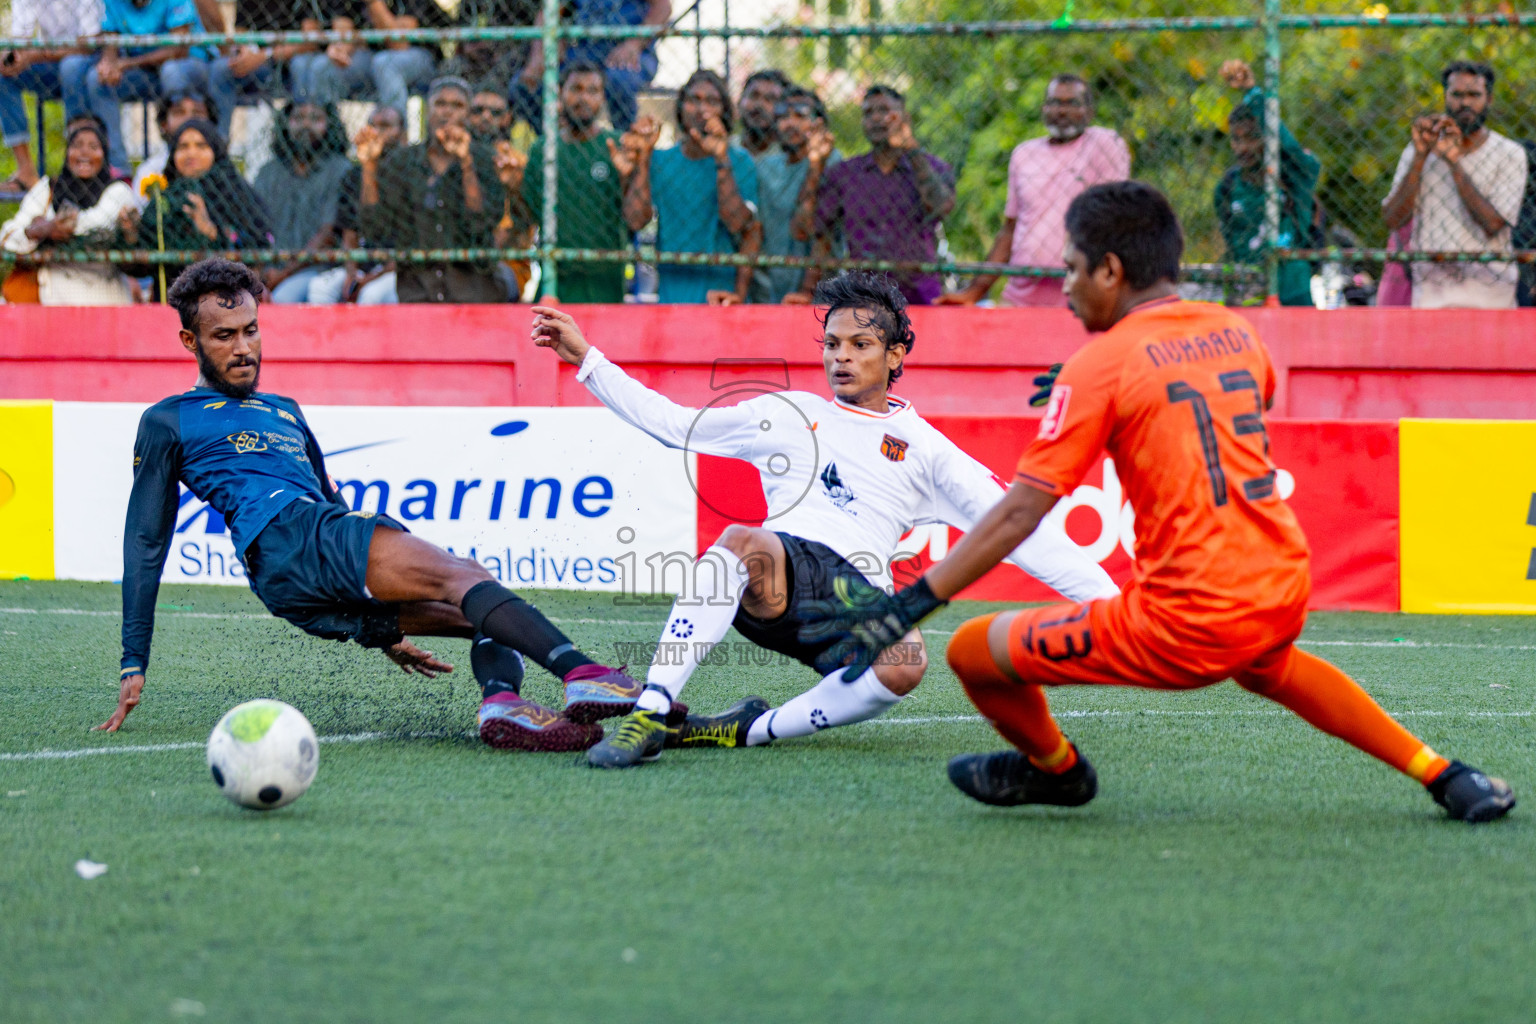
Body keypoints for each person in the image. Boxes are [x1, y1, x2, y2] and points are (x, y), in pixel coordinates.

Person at [799, 182, 1515, 824]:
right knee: (1272, 665)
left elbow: (1021, 511)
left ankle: (1058, 772)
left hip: (1187, 622)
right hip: (1282, 585)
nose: (1068, 287)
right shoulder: (1237, 331)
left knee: (973, 652)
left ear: (1111, 270)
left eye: (1073, 270)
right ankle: (1446, 774)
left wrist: (911, 602)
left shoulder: (1098, 366)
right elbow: (1223, 400)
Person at [528, 271, 1119, 769]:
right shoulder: (786, 413)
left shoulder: (929, 450)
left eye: (860, 345)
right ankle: (651, 712)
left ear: (895, 355)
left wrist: (1119, 608)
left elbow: (1020, 531)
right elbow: (673, 424)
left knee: (907, 662)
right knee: (741, 541)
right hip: (779, 575)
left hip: (853, 602)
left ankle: (742, 730)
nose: (841, 356)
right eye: (832, 344)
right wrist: (588, 360)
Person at [97, 258, 646, 752]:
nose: (243, 349)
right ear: (190, 341)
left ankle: (502, 704)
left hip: (302, 570)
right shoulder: (168, 419)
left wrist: (384, 634)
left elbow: (329, 502)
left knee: (483, 611)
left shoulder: (284, 409)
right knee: (466, 575)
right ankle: (584, 673)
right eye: (223, 336)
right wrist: (133, 658)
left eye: (251, 331)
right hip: (287, 537)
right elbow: (146, 541)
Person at [938, 74, 1130, 308]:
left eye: (1072, 103)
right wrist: (975, 291)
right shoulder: (1024, 154)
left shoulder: (1103, 145)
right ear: (1044, 108)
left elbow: (1116, 218)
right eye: (1055, 102)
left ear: (1089, 111)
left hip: (1081, 294)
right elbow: (1010, 229)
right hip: (1022, 295)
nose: (1062, 111)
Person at [1381, 61, 1526, 309]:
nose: (1465, 103)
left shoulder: (1509, 154)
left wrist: (1454, 162)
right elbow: (1393, 219)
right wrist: (1420, 157)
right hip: (1432, 297)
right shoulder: (1420, 151)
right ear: (1446, 97)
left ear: (1488, 99)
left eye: (1474, 95)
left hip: (1492, 298)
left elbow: (1492, 223)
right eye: (1457, 95)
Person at [803, 85, 955, 306]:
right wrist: (809, 292)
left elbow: (942, 208)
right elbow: (817, 231)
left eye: (885, 111)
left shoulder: (932, 166)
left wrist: (912, 150)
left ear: (905, 118)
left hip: (919, 294)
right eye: (868, 113)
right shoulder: (846, 174)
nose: (876, 118)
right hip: (863, 293)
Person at [359, 76, 506, 303]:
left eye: (457, 106)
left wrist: (466, 163)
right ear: (428, 111)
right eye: (440, 104)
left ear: (467, 115)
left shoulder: (484, 159)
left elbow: (482, 221)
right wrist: (369, 166)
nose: (447, 112)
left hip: (472, 288)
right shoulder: (403, 161)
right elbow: (375, 225)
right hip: (417, 287)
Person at [620, 70, 759, 304]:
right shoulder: (662, 161)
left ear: (724, 110)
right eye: (694, 100)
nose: (702, 109)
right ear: (681, 108)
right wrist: (643, 160)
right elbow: (635, 220)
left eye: (712, 101)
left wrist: (721, 157)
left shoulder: (740, 160)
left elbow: (738, 223)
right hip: (671, 294)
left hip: (720, 295)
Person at [513, 61, 630, 303]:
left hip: (606, 287)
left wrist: (631, 174)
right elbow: (526, 217)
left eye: (592, 91)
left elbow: (637, 217)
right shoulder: (542, 149)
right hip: (554, 286)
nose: (583, 98)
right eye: (576, 89)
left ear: (603, 97)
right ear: (561, 93)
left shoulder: (619, 146)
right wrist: (513, 186)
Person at [115, 119, 272, 297]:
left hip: (227, 298)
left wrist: (210, 230)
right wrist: (131, 234)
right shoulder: (164, 199)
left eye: (201, 146)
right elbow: (141, 267)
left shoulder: (236, 194)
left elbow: (257, 248)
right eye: (183, 147)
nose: (191, 153)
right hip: (171, 299)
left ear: (215, 151)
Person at [1212, 59, 1319, 308]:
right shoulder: (1228, 188)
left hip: (1292, 290)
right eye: (1236, 140)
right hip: (1247, 293)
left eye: (1251, 138)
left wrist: (1253, 92)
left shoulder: (1295, 177)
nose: (1243, 148)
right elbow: (1230, 237)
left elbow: (1288, 146)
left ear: (1268, 137)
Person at [0, 121, 136, 305]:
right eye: (77, 145)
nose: (84, 153)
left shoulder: (119, 190)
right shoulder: (48, 188)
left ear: (104, 153)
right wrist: (35, 231)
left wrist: (47, 227)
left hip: (105, 299)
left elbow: (97, 223)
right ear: (67, 152)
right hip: (54, 300)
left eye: (93, 146)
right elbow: (8, 235)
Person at [86, 0, 214, 175]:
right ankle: (118, 170)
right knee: (97, 79)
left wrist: (127, 63)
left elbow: (178, 50)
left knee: (171, 71)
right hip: (143, 71)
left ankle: (176, 159)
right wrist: (108, 65)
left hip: (189, 65)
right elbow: (111, 42)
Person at [514, 0, 670, 133]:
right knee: (523, 87)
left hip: (630, 50)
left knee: (618, 81)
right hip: (585, 50)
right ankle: (557, 149)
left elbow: (663, 8)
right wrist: (537, 58)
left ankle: (626, 146)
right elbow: (548, 13)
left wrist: (634, 43)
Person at [251, 101, 353, 304]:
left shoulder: (340, 170)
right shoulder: (268, 172)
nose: (306, 124)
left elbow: (327, 235)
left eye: (316, 119)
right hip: (270, 269)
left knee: (282, 299)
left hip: (319, 269)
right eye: (298, 118)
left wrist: (283, 275)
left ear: (330, 126)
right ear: (286, 124)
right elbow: (255, 229)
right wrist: (258, 273)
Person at [751, 85, 841, 304]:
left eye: (800, 116)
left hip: (818, 291)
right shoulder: (766, 167)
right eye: (783, 116)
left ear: (818, 124)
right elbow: (755, 229)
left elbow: (809, 231)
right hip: (772, 286)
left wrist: (815, 163)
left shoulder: (832, 161)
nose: (789, 124)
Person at [0, 0, 102, 192]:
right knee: (3, 75)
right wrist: (9, 56)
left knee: (70, 67)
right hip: (48, 63)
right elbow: (19, 38)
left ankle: (77, 164)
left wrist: (34, 54)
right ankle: (26, 171)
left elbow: (89, 43)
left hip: (86, 62)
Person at [309, 106, 406, 305]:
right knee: (319, 289)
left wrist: (370, 279)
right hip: (362, 265)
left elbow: (411, 245)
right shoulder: (354, 176)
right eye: (372, 125)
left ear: (403, 134)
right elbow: (349, 234)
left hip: (396, 268)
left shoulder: (410, 172)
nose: (377, 132)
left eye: (386, 126)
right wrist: (352, 273)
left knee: (371, 295)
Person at [207, 0, 326, 137]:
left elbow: (310, 41)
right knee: (221, 68)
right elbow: (241, 35)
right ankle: (219, 140)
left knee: (301, 65)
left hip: (293, 65)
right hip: (261, 66)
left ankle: (303, 141)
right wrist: (244, 52)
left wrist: (265, 55)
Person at [311, 0, 446, 114]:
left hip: (421, 58)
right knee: (322, 66)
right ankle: (332, 135)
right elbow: (344, 33)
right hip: (373, 58)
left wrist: (373, 2)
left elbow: (398, 43)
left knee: (385, 63)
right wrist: (339, 49)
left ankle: (393, 134)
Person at [131, 91, 217, 210]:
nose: (188, 119)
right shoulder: (151, 172)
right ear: (164, 124)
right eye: (179, 112)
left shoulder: (226, 176)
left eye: (197, 113)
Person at [737, 69, 790, 161]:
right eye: (754, 95)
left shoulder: (787, 157)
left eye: (770, 99)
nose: (759, 105)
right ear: (741, 100)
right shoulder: (727, 146)